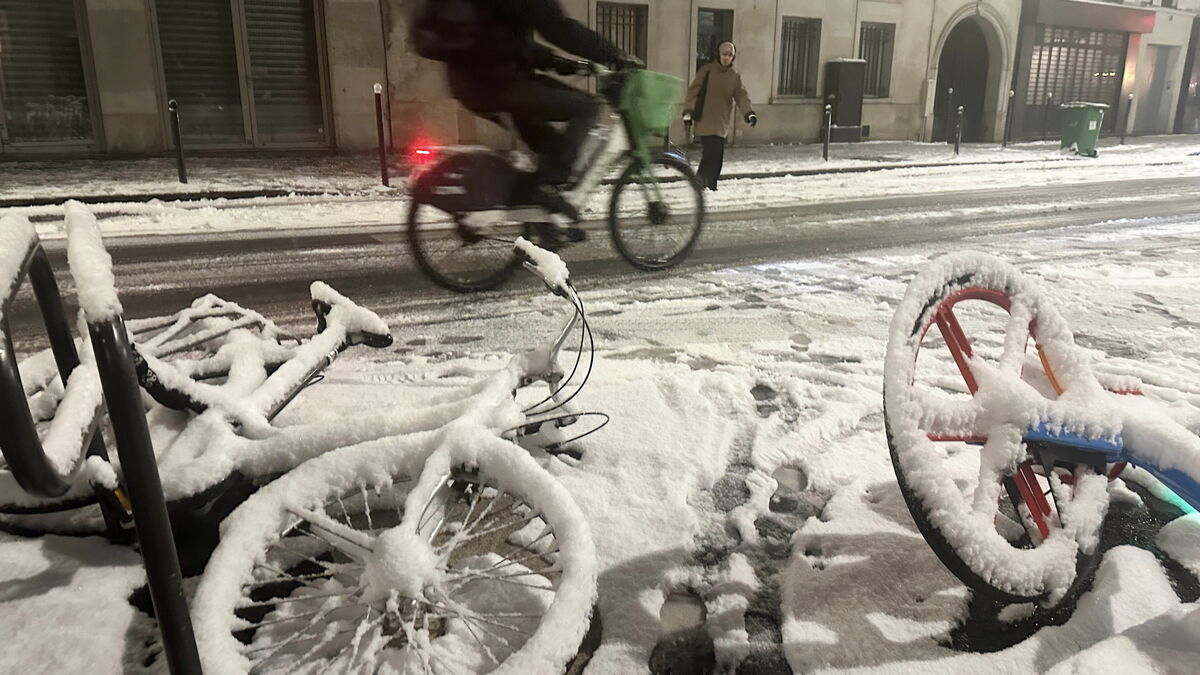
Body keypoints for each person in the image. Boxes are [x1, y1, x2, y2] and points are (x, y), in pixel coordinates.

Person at [436, 0, 639, 221]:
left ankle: (544, 213)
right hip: (495, 82)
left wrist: (557, 61)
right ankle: (550, 190)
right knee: (587, 107)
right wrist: (614, 55)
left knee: (551, 145)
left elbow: (510, 41)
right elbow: (559, 28)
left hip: (479, 80)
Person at [682, 42, 757, 191]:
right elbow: (694, 91)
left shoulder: (734, 77)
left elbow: (741, 96)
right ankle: (701, 183)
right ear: (719, 54)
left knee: (717, 157)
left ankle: (710, 184)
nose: (726, 58)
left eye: (730, 55)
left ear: (733, 57)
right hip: (705, 120)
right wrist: (688, 112)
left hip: (721, 122)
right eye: (724, 54)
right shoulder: (707, 71)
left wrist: (749, 113)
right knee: (711, 153)